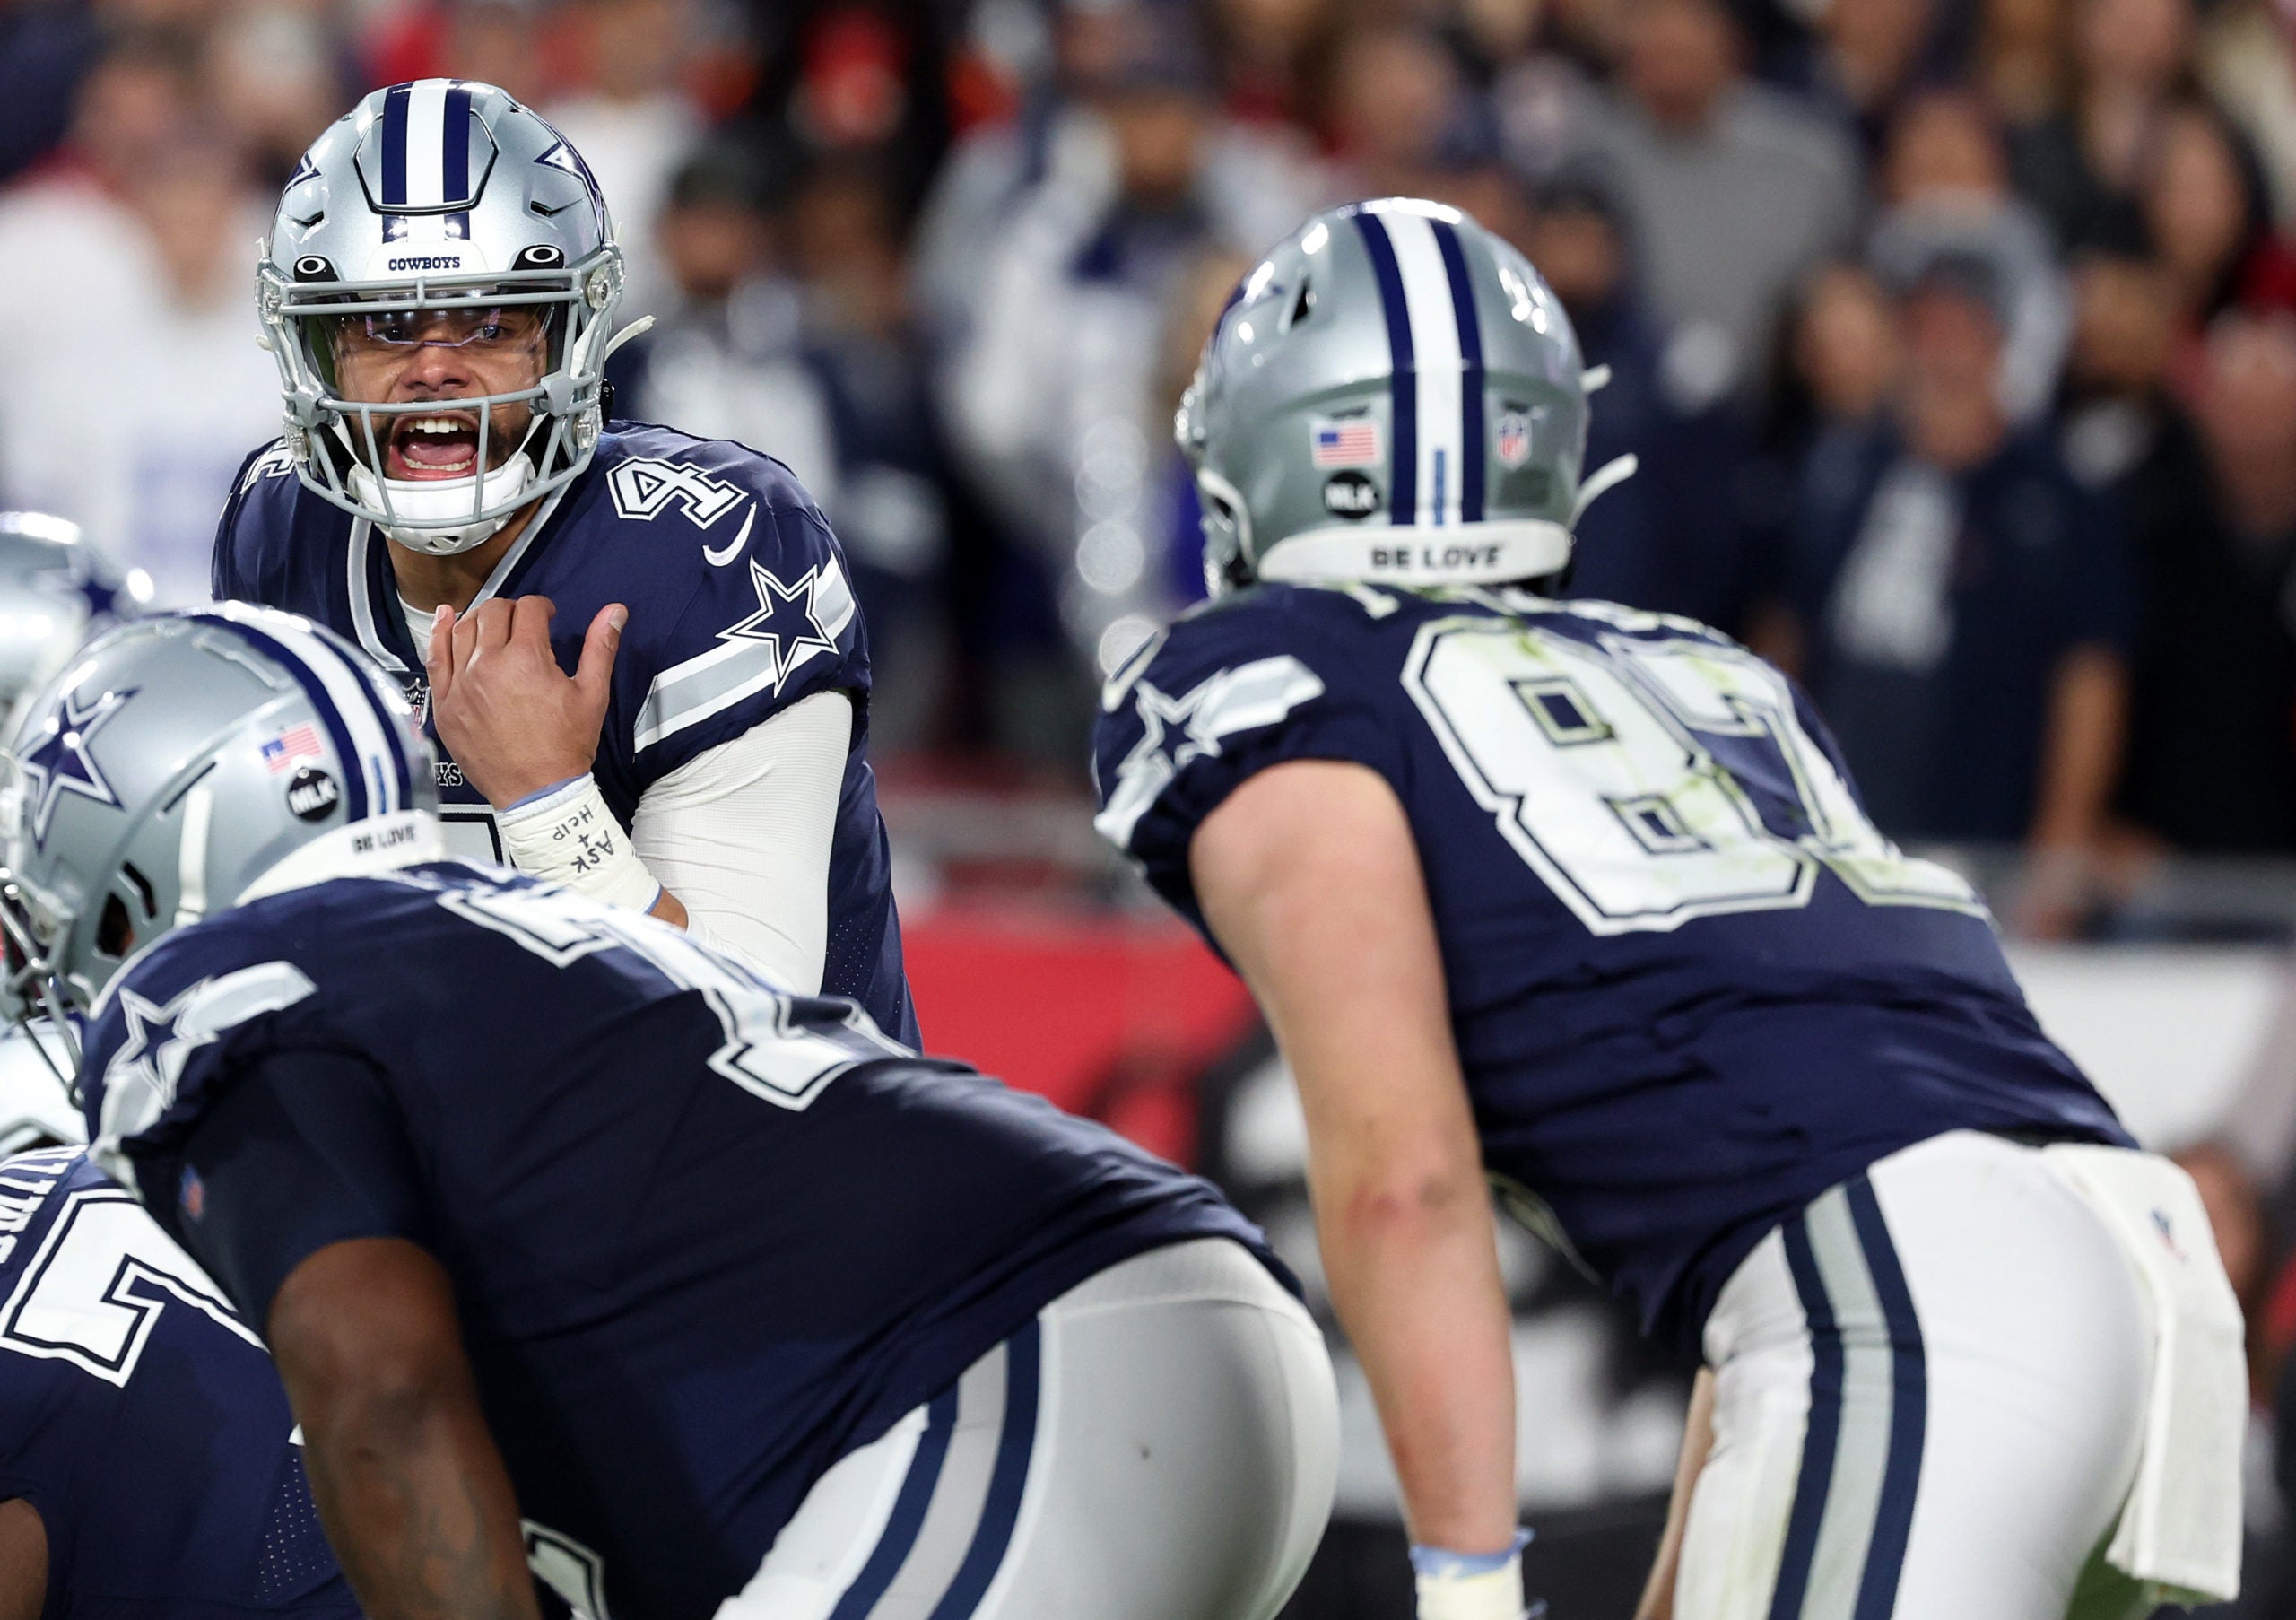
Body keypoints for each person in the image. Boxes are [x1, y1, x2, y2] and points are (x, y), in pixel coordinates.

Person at [1091, 198, 2246, 1620]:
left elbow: (1401, 1172)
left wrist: (1468, 1592)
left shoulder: (1268, 682)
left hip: (1906, 1305)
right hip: (2115, 1277)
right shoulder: (1706, 672)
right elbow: (1788, 1226)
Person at [16, 604, 1339, 1619]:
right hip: (1123, 1344)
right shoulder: (516, 926)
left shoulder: (219, 986)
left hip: (999, 1377)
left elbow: (386, 1389)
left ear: (133, 864)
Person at [213, 80, 916, 1041]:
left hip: (755, 1135)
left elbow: (757, 1040)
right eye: (384, 324)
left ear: (568, 339)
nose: (434, 369)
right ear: (314, 347)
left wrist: (550, 805)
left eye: (491, 324)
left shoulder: (713, 551)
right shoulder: (280, 524)